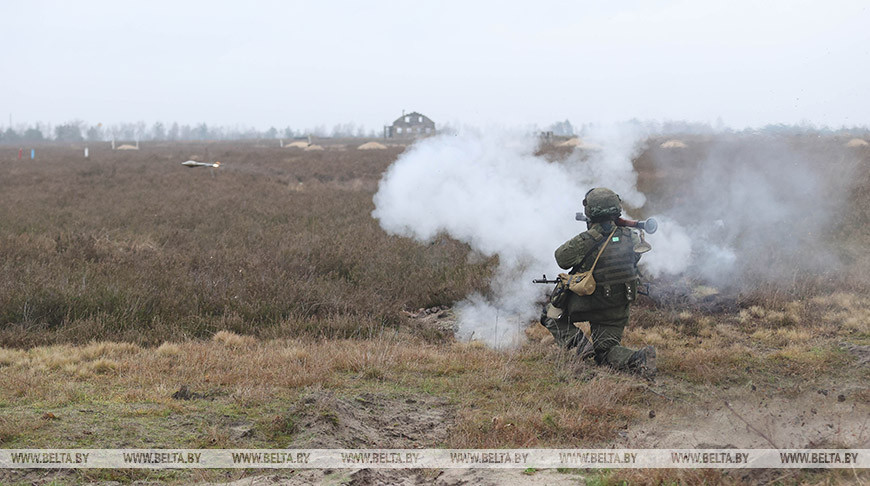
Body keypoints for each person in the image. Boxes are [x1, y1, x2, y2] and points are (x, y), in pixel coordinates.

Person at [540, 187, 656, 378]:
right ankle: (637, 359)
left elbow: (562, 258)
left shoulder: (588, 238)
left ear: (590, 210)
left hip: (587, 302)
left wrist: (593, 234)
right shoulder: (631, 236)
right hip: (617, 306)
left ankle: (580, 346)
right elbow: (633, 260)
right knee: (606, 351)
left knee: (549, 316)